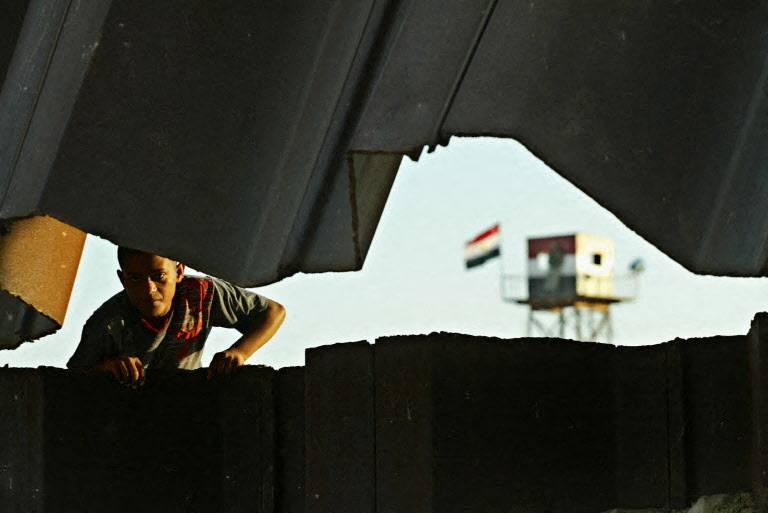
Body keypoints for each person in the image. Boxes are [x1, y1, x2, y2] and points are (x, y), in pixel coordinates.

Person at [67, 247, 286, 385]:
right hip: (129, 414)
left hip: (187, 402)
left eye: (159, 276)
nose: (149, 289)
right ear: (122, 280)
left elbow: (273, 312)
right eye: (135, 279)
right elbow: (71, 381)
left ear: (179, 271)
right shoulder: (107, 322)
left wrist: (239, 352)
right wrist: (106, 370)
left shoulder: (201, 294)